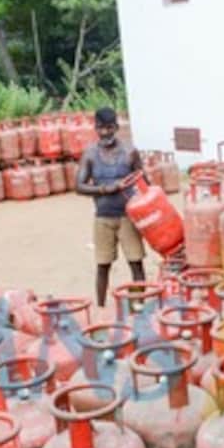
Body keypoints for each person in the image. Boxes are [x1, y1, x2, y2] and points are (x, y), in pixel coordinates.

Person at [76, 107, 146, 307]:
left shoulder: (130, 152)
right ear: (95, 128)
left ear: (116, 127)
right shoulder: (90, 154)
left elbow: (144, 183)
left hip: (128, 217)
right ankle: (100, 309)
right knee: (103, 266)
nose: (105, 133)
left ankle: (137, 308)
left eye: (109, 128)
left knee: (136, 263)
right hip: (103, 218)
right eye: (100, 128)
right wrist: (107, 189)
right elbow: (79, 187)